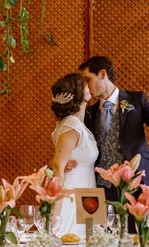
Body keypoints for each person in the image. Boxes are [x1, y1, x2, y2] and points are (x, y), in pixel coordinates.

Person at [77, 56, 149, 199]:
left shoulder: (136, 99)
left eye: (88, 79)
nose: (85, 86)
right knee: (106, 222)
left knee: (140, 221)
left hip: (137, 180)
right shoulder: (89, 113)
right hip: (103, 186)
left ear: (103, 74)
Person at [50, 73, 98, 237]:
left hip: (88, 195)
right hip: (72, 198)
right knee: (70, 245)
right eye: (84, 85)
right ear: (78, 94)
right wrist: (55, 210)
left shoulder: (78, 125)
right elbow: (58, 167)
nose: (88, 87)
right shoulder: (71, 126)